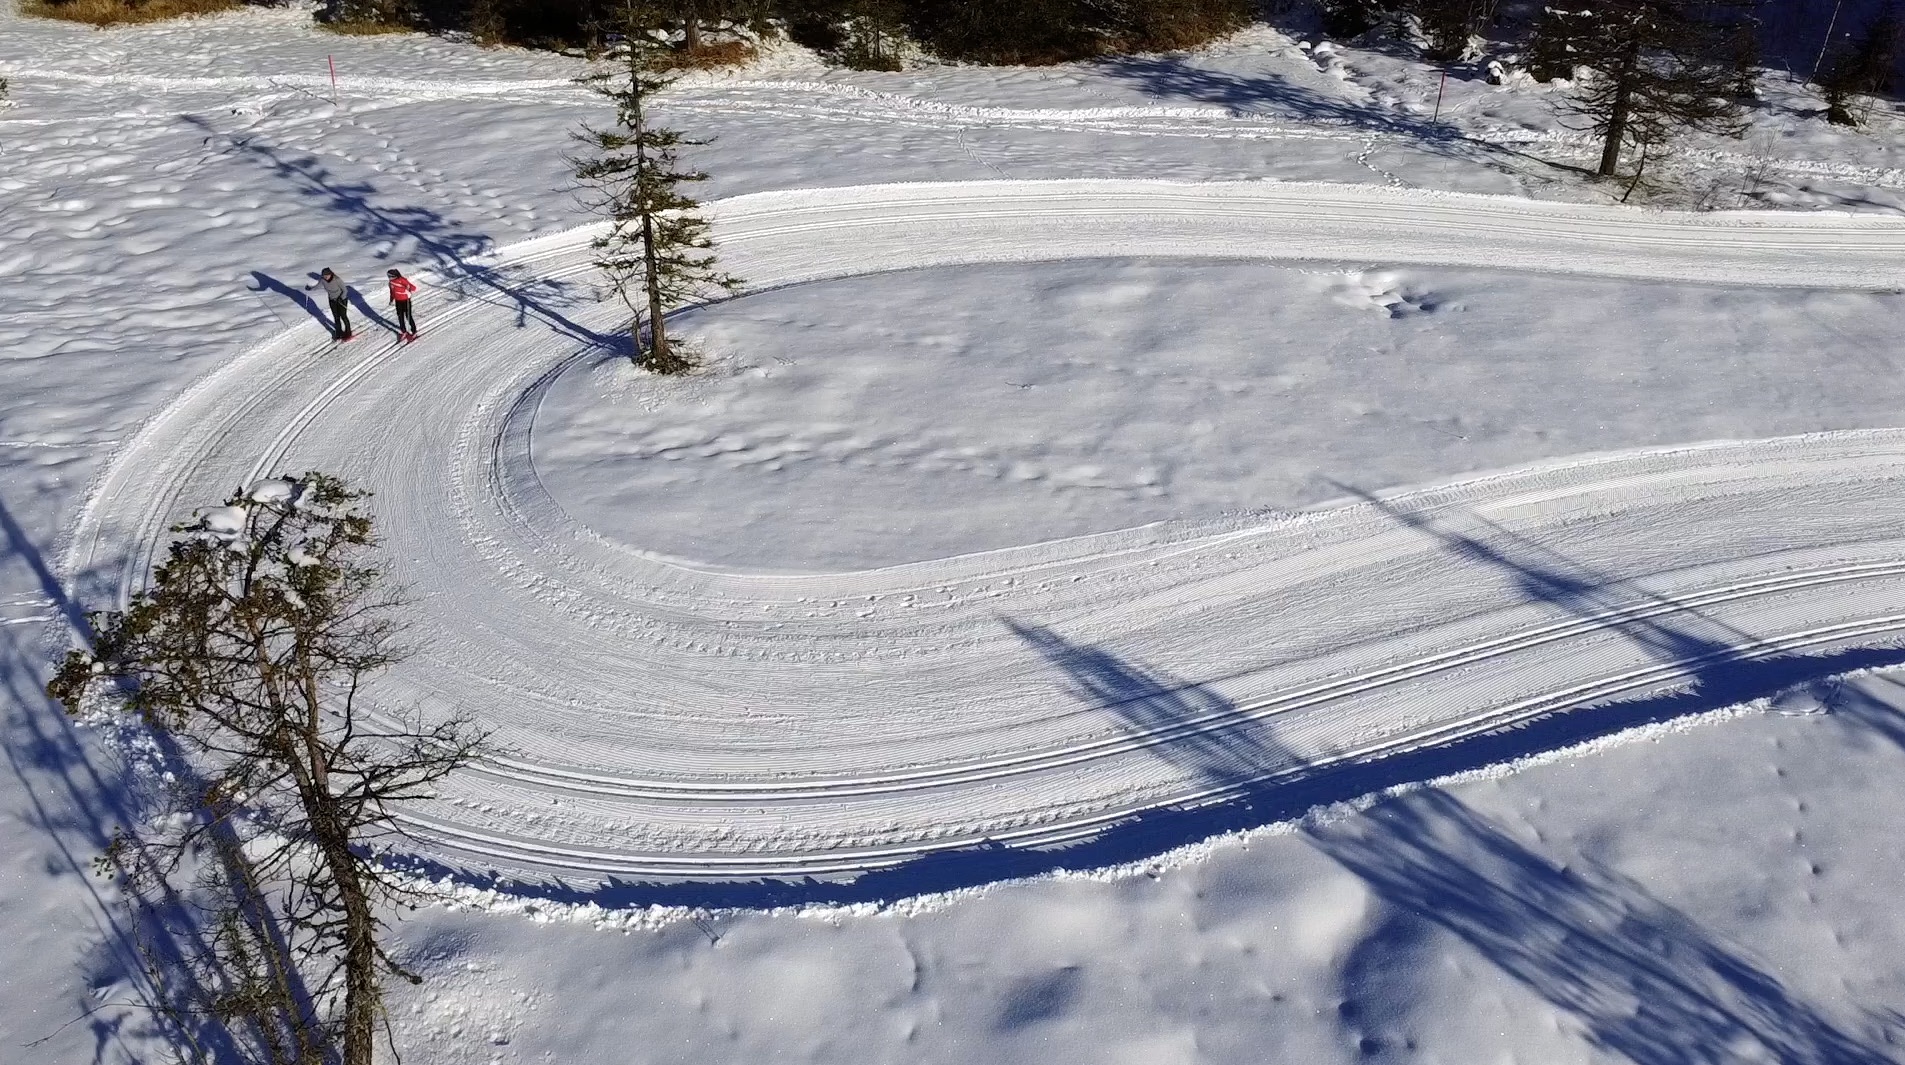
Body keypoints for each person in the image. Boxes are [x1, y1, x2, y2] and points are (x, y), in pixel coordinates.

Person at [316, 267, 352, 341]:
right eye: (324, 276)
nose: (325, 277)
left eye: (327, 275)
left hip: (342, 300)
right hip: (332, 300)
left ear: (330, 274)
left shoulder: (337, 280)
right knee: (336, 317)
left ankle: (348, 333)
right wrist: (310, 288)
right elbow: (317, 286)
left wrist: (341, 298)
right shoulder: (323, 280)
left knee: (343, 316)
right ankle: (338, 333)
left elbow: (345, 290)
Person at [387, 268, 420, 341]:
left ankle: (414, 332)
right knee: (400, 317)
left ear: (394, 275)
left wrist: (408, 289)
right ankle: (404, 331)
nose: (389, 278)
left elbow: (413, 288)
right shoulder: (390, 283)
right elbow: (392, 292)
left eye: (390, 276)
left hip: (406, 301)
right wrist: (391, 300)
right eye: (388, 276)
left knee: (408, 316)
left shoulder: (402, 280)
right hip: (398, 302)